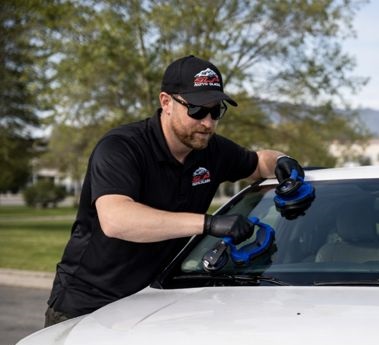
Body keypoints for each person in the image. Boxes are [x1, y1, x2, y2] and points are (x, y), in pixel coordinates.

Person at [45, 55, 304, 327]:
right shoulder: (121, 147)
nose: (208, 123)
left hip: (155, 305)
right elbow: (116, 219)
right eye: (197, 110)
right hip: (87, 305)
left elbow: (259, 162)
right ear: (166, 102)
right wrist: (209, 224)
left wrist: (282, 160)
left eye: (216, 111)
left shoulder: (211, 150)